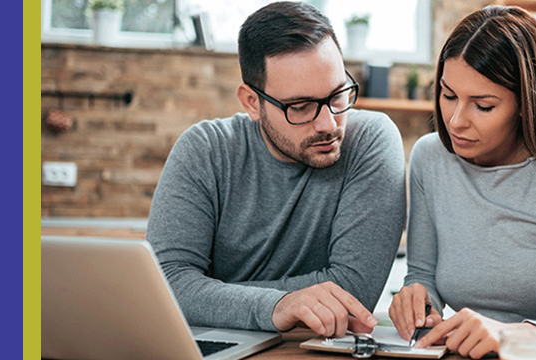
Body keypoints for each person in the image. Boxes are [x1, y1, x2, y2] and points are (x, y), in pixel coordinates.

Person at [146, 1, 405, 338]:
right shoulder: (205, 150)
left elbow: (353, 291)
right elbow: (167, 284)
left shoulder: (371, 141)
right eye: (300, 107)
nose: (329, 124)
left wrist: (213, 295)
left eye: (338, 95)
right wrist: (276, 305)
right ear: (252, 102)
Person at [391, 6, 536, 358]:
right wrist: (418, 300)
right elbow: (423, 275)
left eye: (482, 106)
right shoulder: (430, 159)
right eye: (448, 95)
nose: (455, 121)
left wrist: (517, 336)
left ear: (526, 104)